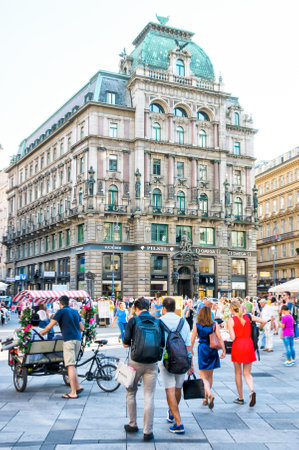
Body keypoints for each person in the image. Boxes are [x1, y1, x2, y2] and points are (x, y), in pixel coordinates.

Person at [123, 297, 164, 442]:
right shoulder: (158, 321)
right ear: (149, 307)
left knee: (131, 392)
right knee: (149, 396)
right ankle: (148, 432)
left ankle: (132, 424)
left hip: (135, 362)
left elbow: (126, 342)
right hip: (152, 363)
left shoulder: (133, 321)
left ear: (136, 308)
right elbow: (162, 343)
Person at [40, 295, 84, 399]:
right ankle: (78, 386)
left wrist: (42, 332)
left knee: (70, 365)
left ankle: (73, 392)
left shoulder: (60, 312)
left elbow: (50, 325)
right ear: (68, 302)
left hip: (68, 340)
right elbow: (81, 328)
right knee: (72, 364)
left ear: (60, 303)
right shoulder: (75, 312)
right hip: (78, 339)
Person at [160, 297, 191, 434]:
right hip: (182, 359)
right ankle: (172, 412)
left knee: (169, 390)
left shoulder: (159, 322)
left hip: (165, 360)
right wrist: (190, 363)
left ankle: (179, 423)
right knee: (178, 388)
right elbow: (188, 345)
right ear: (175, 308)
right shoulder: (183, 323)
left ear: (164, 308)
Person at [227, 301, 265, 406]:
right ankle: (252, 390)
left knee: (237, 373)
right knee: (247, 373)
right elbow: (264, 321)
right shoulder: (248, 316)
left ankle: (240, 397)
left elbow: (232, 337)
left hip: (238, 346)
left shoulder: (231, 320)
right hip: (249, 344)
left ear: (231, 309)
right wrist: (257, 329)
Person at [191, 306, 225, 409]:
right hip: (212, 349)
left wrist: (190, 350)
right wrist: (224, 350)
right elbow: (219, 337)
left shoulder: (197, 325)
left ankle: (208, 395)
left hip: (203, 349)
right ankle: (206, 397)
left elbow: (192, 338)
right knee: (210, 376)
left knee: (203, 376)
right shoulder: (214, 324)